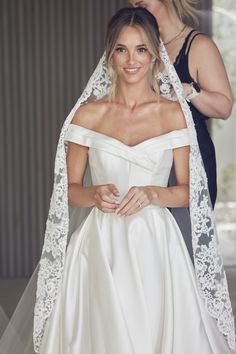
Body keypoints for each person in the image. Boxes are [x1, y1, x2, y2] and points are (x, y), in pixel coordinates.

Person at [0, 6, 235, 354]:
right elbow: (68, 190)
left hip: (156, 245)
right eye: (122, 49)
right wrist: (93, 194)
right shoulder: (87, 114)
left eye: (141, 49)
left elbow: (189, 192)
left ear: (155, 54)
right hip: (99, 245)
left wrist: (154, 192)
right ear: (109, 54)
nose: (131, 60)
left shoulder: (173, 114)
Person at [130, 0, 233, 208]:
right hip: (149, 162)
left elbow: (224, 107)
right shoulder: (140, 48)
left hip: (190, 161)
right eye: (133, 7)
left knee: (185, 236)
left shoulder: (199, 46)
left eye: (143, 5)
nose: (137, 13)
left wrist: (188, 90)